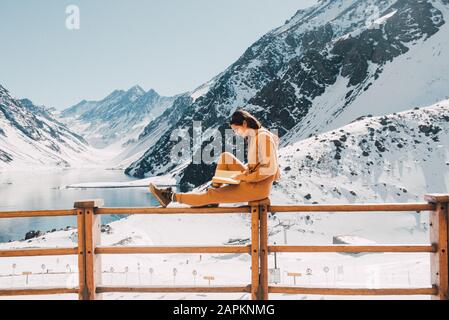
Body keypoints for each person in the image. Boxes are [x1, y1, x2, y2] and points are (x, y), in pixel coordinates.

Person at [149, 108, 281, 207]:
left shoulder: (263, 137)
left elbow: (269, 169)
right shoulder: (255, 136)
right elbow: (257, 165)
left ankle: (171, 197)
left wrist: (243, 177)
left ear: (245, 123)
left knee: (211, 195)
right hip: (254, 181)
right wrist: (246, 173)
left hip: (257, 189)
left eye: (236, 129)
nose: (237, 133)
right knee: (226, 157)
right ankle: (214, 192)